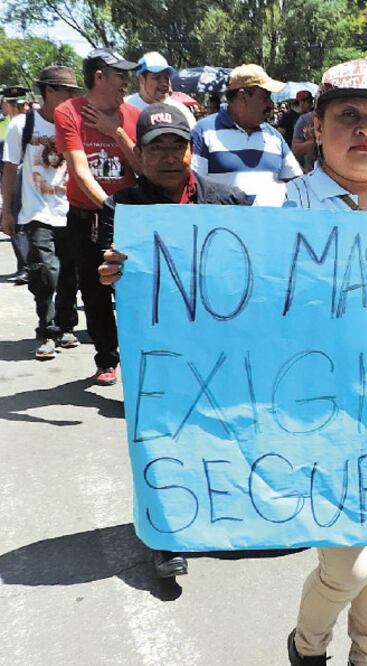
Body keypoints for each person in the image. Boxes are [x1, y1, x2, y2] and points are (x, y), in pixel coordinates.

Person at [98, 102, 251, 578]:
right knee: (164, 435)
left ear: (191, 151)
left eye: (177, 146)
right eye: (156, 147)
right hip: (159, 347)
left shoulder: (231, 201)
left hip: (222, 341)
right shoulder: (121, 208)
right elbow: (104, 272)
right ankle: (165, 535)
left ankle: (228, 513)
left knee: (226, 427)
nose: (168, 156)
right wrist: (110, 271)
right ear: (138, 156)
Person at [54, 48, 140, 386]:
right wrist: (110, 208)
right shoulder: (69, 112)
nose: (125, 82)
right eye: (120, 74)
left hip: (132, 214)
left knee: (132, 289)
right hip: (87, 216)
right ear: (99, 76)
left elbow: (142, 168)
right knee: (94, 290)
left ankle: (140, 358)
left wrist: (114, 131)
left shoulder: (131, 114)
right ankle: (107, 358)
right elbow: (78, 170)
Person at [1, 66, 82, 359]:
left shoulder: (75, 123)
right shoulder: (22, 125)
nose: (72, 97)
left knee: (69, 274)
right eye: (67, 92)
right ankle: (47, 331)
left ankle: (67, 327)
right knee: (46, 271)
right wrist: (6, 212)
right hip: (36, 212)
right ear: (50, 91)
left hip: (69, 209)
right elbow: (10, 168)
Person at [191, 64, 302, 206]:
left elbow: (296, 183)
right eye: (265, 97)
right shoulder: (204, 132)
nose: (270, 104)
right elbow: (194, 187)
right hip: (222, 227)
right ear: (243, 96)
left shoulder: (274, 136)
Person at [1, 85, 32, 284]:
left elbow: (10, 164)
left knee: (15, 217)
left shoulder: (15, 124)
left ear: (10, 104)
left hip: (19, 175)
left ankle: (25, 266)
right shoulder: (33, 120)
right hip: (32, 176)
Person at [123, 51, 197, 127]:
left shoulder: (180, 111)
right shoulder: (124, 107)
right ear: (141, 80)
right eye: (157, 78)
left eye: (166, 78)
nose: (164, 83)